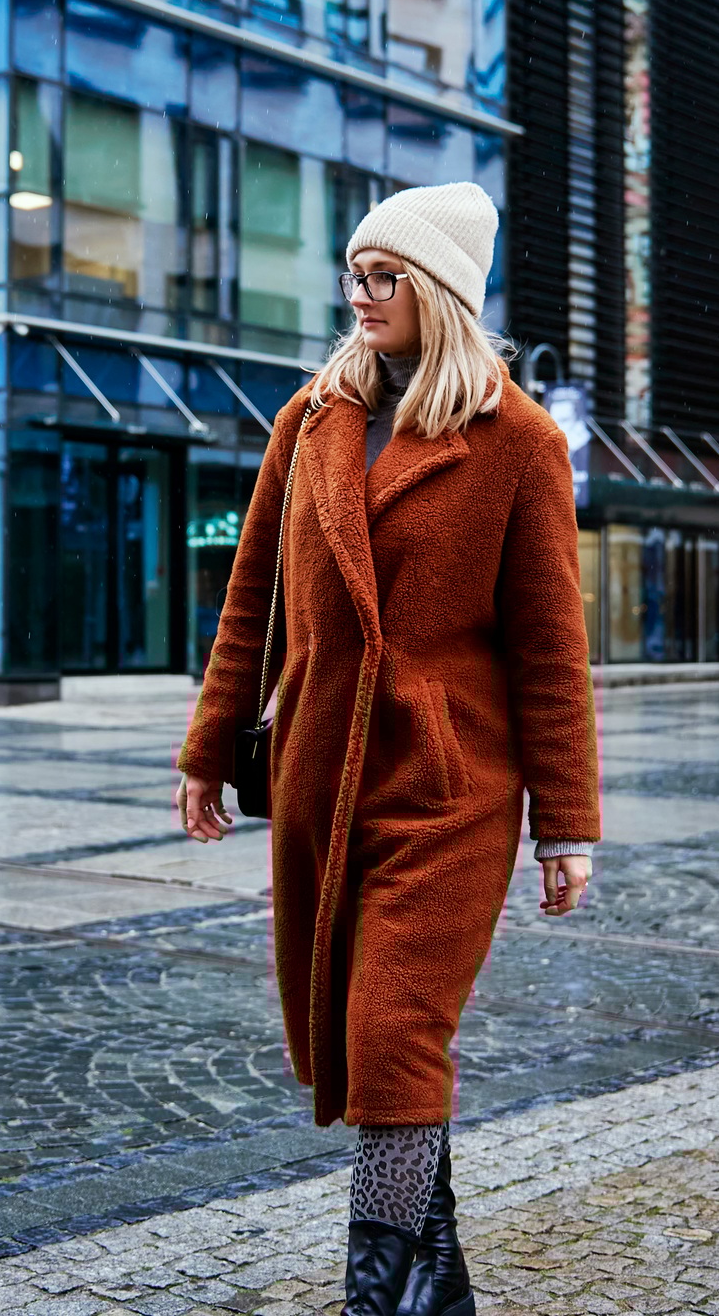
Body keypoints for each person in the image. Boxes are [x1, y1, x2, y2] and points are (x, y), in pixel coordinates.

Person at [174, 182, 599, 1316]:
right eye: (353, 274)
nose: (357, 296)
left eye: (382, 277)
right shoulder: (310, 419)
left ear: (440, 292)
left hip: (446, 787)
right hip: (322, 775)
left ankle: (371, 1302)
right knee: (373, 1049)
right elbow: (248, 597)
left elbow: (551, 649)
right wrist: (207, 749)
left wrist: (565, 825)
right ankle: (436, 1292)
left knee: (393, 1030)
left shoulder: (518, 443)